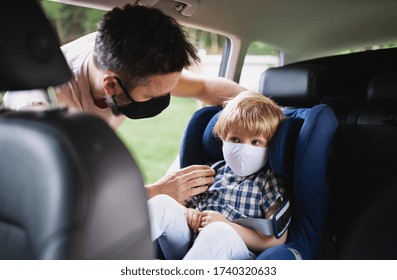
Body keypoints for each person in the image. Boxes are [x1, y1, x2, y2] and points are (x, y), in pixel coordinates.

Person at [3, 4, 246, 202]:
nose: (163, 99)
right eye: (152, 96)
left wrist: (273, 113)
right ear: (111, 86)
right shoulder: (39, 107)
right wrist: (159, 191)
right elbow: (61, 196)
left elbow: (204, 87)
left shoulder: (131, 59)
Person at [148, 91, 287, 259]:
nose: (244, 149)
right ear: (222, 138)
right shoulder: (210, 171)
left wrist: (226, 225)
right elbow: (180, 203)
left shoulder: (268, 182)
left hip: (233, 251)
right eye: (235, 140)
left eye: (256, 142)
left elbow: (275, 240)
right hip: (190, 243)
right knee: (162, 203)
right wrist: (186, 212)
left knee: (218, 230)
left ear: (269, 146)